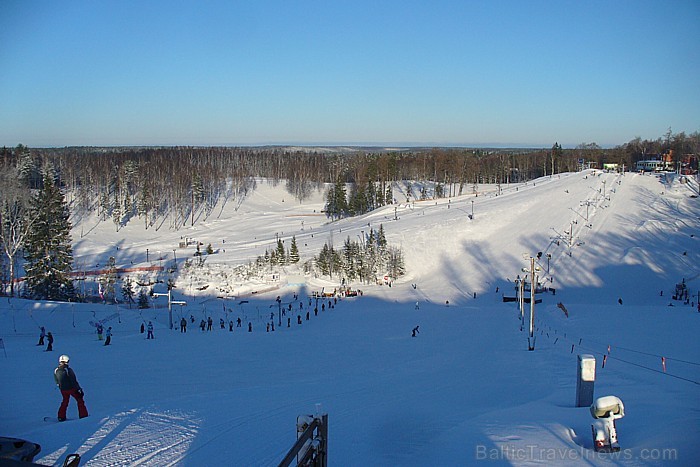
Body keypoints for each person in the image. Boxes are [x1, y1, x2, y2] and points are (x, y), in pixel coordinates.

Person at [54, 355, 88, 421]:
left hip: (63, 389)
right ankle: (83, 415)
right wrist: (79, 389)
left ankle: (61, 416)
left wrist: (61, 387)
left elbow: (56, 381)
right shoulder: (68, 370)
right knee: (80, 400)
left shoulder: (56, 370)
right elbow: (73, 380)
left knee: (65, 401)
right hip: (72, 389)